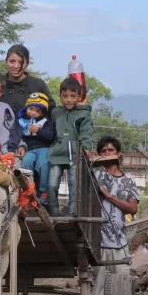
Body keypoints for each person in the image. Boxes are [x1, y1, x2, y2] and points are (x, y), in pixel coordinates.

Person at [80, 136, 139, 295]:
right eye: (103, 151)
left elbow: (132, 208)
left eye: (110, 150)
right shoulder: (95, 174)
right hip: (98, 240)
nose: (107, 154)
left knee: (122, 284)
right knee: (97, 283)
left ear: (119, 154)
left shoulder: (128, 181)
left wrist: (109, 197)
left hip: (120, 241)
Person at [48, 78, 94, 216]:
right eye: (65, 96)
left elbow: (87, 133)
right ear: (60, 97)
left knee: (74, 186)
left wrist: (86, 148)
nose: (69, 100)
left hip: (75, 156)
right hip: (57, 155)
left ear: (79, 97)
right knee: (52, 185)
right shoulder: (56, 113)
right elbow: (50, 131)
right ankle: (54, 213)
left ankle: (72, 213)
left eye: (73, 96)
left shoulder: (84, 114)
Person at [0, 44, 56, 158]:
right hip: (4, 143)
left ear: (27, 63)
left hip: (35, 144)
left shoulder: (38, 84)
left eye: (21, 62)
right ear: (6, 61)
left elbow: (52, 110)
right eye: (12, 61)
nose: (16, 66)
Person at [18, 92, 54, 206]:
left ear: (42, 113)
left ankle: (44, 192)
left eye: (37, 111)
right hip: (30, 149)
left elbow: (50, 136)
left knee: (43, 164)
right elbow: (19, 136)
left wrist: (38, 131)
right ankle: (28, 189)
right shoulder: (22, 122)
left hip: (43, 148)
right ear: (26, 108)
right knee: (26, 162)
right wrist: (21, 146)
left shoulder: (46, 122)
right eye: (31, 109)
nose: (33, 113)